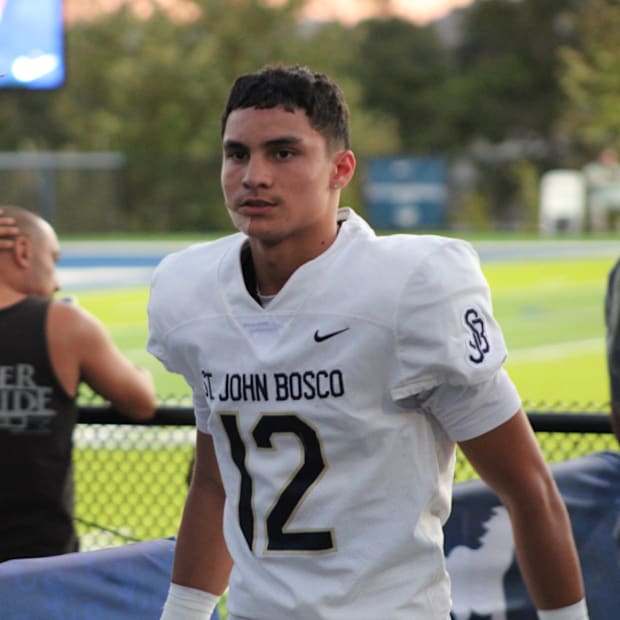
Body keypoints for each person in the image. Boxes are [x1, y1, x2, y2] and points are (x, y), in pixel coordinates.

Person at [147, 65, 589, 620]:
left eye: (283, 153)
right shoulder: (195, 295)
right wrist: (183, 613)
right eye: (237, 154)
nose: (253, 176)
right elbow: (216, 485)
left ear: (340, 169)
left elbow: (528, 487)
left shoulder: (408, 290)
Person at [0, 205, 157, 562]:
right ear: (23, 252)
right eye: (52, 260)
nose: (56, 282)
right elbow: (141, 400)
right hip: (38, 561)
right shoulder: (63, 323)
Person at [582, 147, 620, 232]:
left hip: (616, 197)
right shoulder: (592, 169)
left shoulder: (617, 169)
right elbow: (592, 183)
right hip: (599, 197)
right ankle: (598, 230)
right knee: (597, 204)